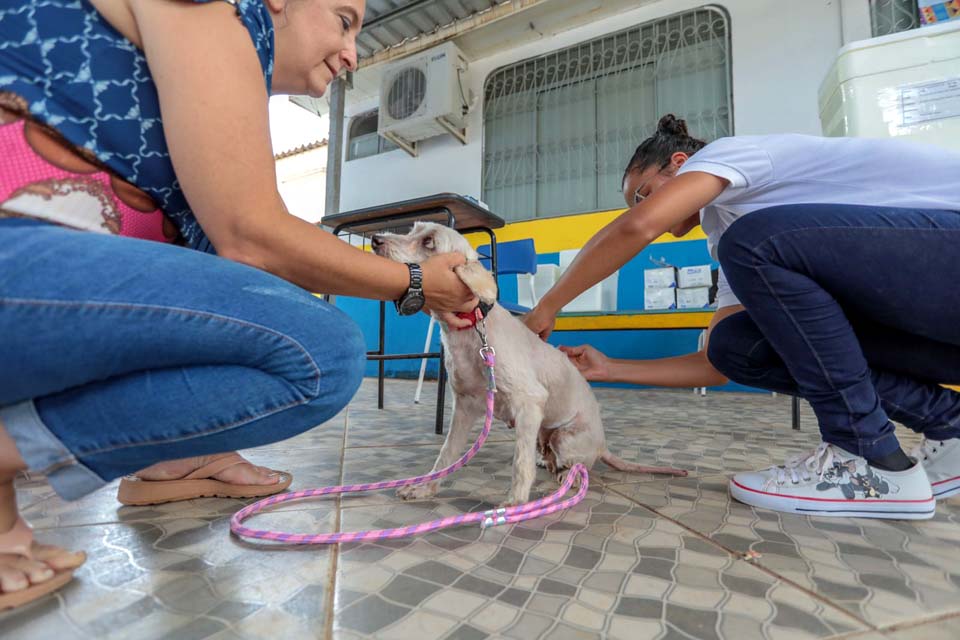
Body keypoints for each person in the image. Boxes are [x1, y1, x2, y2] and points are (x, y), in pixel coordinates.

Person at [0, 0, 478, 609]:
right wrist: (415, 279)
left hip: (35, 286)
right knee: (322, 353)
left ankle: (177, 460)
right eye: (343, 19)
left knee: (267, 322)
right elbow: (252, 236)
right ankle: (10, 450)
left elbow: (227, 278)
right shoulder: (215, 8)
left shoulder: (213, 84)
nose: (354, 53)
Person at [525, 114, 960, 521]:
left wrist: (548, 305)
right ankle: (949, 424)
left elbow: (637, 228)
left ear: (679, 163)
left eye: (641, 194)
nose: (639, 208)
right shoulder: (732, 234)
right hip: (936, 320)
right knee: (736, 340)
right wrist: (611, 368)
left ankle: (869, 458)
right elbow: (720, 362)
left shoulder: (732, 157)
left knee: (752, 243)